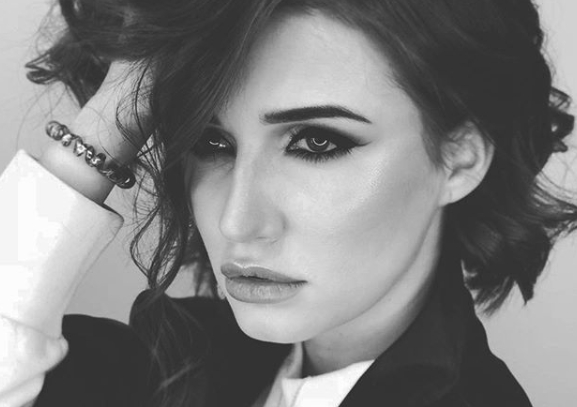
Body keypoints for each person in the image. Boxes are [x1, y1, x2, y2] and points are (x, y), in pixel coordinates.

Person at [1, 0, 576, 406]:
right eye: (212, 142)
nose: (237, 221)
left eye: (317, 143)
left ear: (460, 159)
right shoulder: (167, 363)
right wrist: (110, 120)